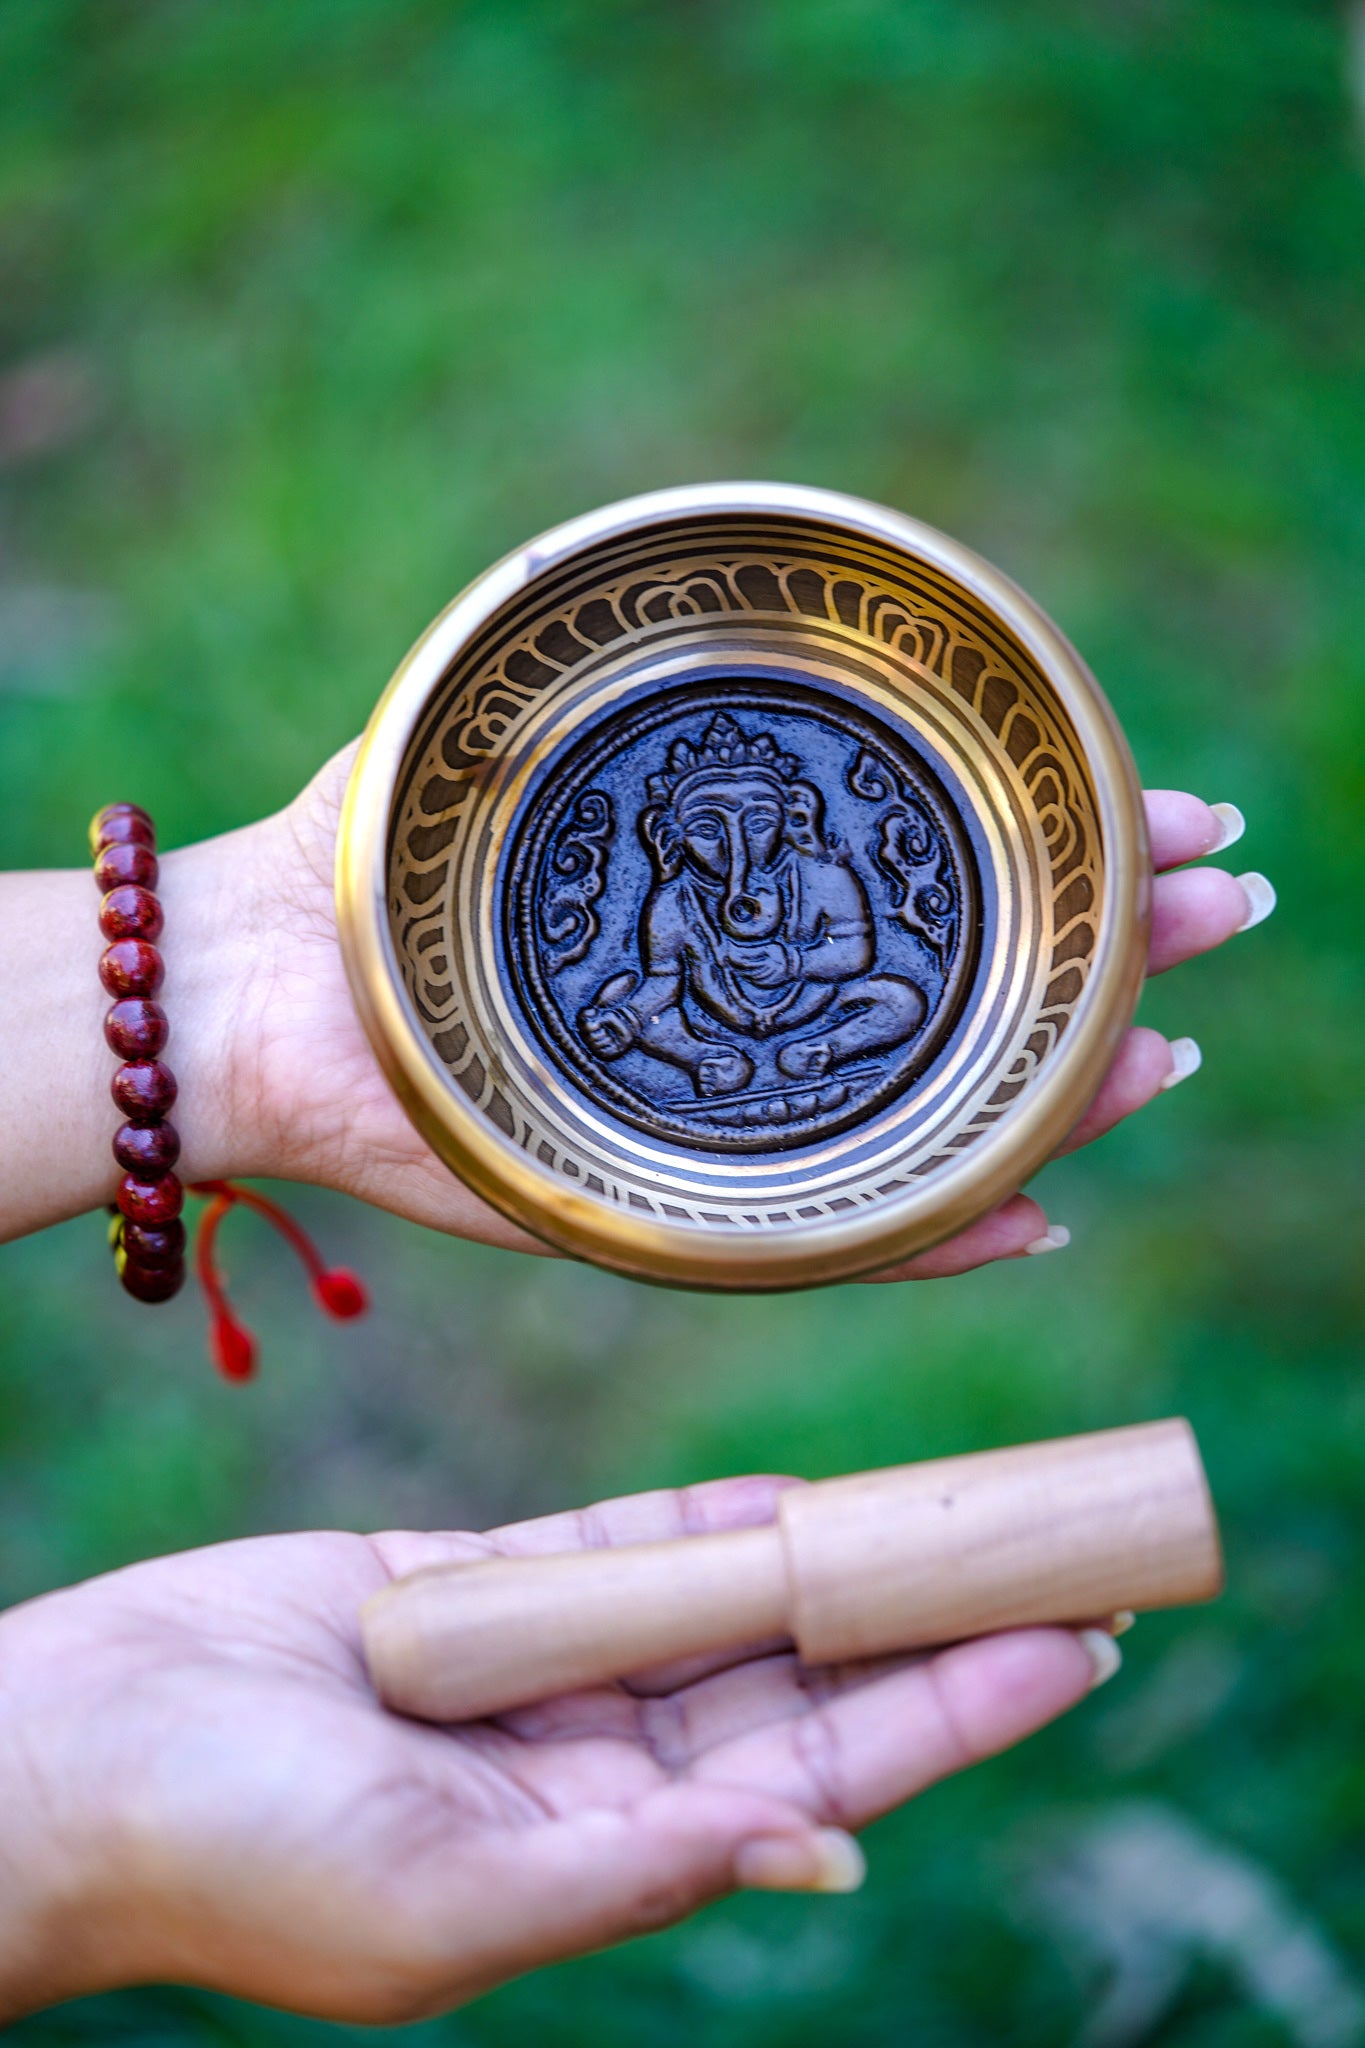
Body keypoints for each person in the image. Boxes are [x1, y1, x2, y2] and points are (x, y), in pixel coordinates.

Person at [0, 747, 1272, 2023]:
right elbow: (662, 985)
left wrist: (780, 976)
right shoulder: (668, 901)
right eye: (702, 831)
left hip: (818, 1018)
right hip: (713, 1035)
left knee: (891, 1000)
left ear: (782, 819)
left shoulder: (821, 871)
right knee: (651, 1022)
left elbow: (849, 961)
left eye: (748, 824)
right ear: (676, 841)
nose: (727, 849)